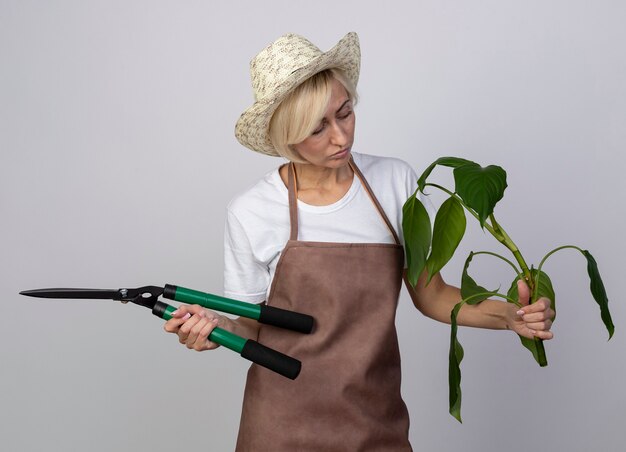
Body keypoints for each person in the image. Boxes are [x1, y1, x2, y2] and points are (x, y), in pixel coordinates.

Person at [164, 32, 555, 451]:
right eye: (318, 129)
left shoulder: (395, 183)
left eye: (345, 113)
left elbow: (432, 295)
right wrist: (215, 328)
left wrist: (508, 316)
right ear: (287, 137)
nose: (341, 137)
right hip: (280, 427)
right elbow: (250, 323)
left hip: (374, 421)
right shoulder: (251, 210)